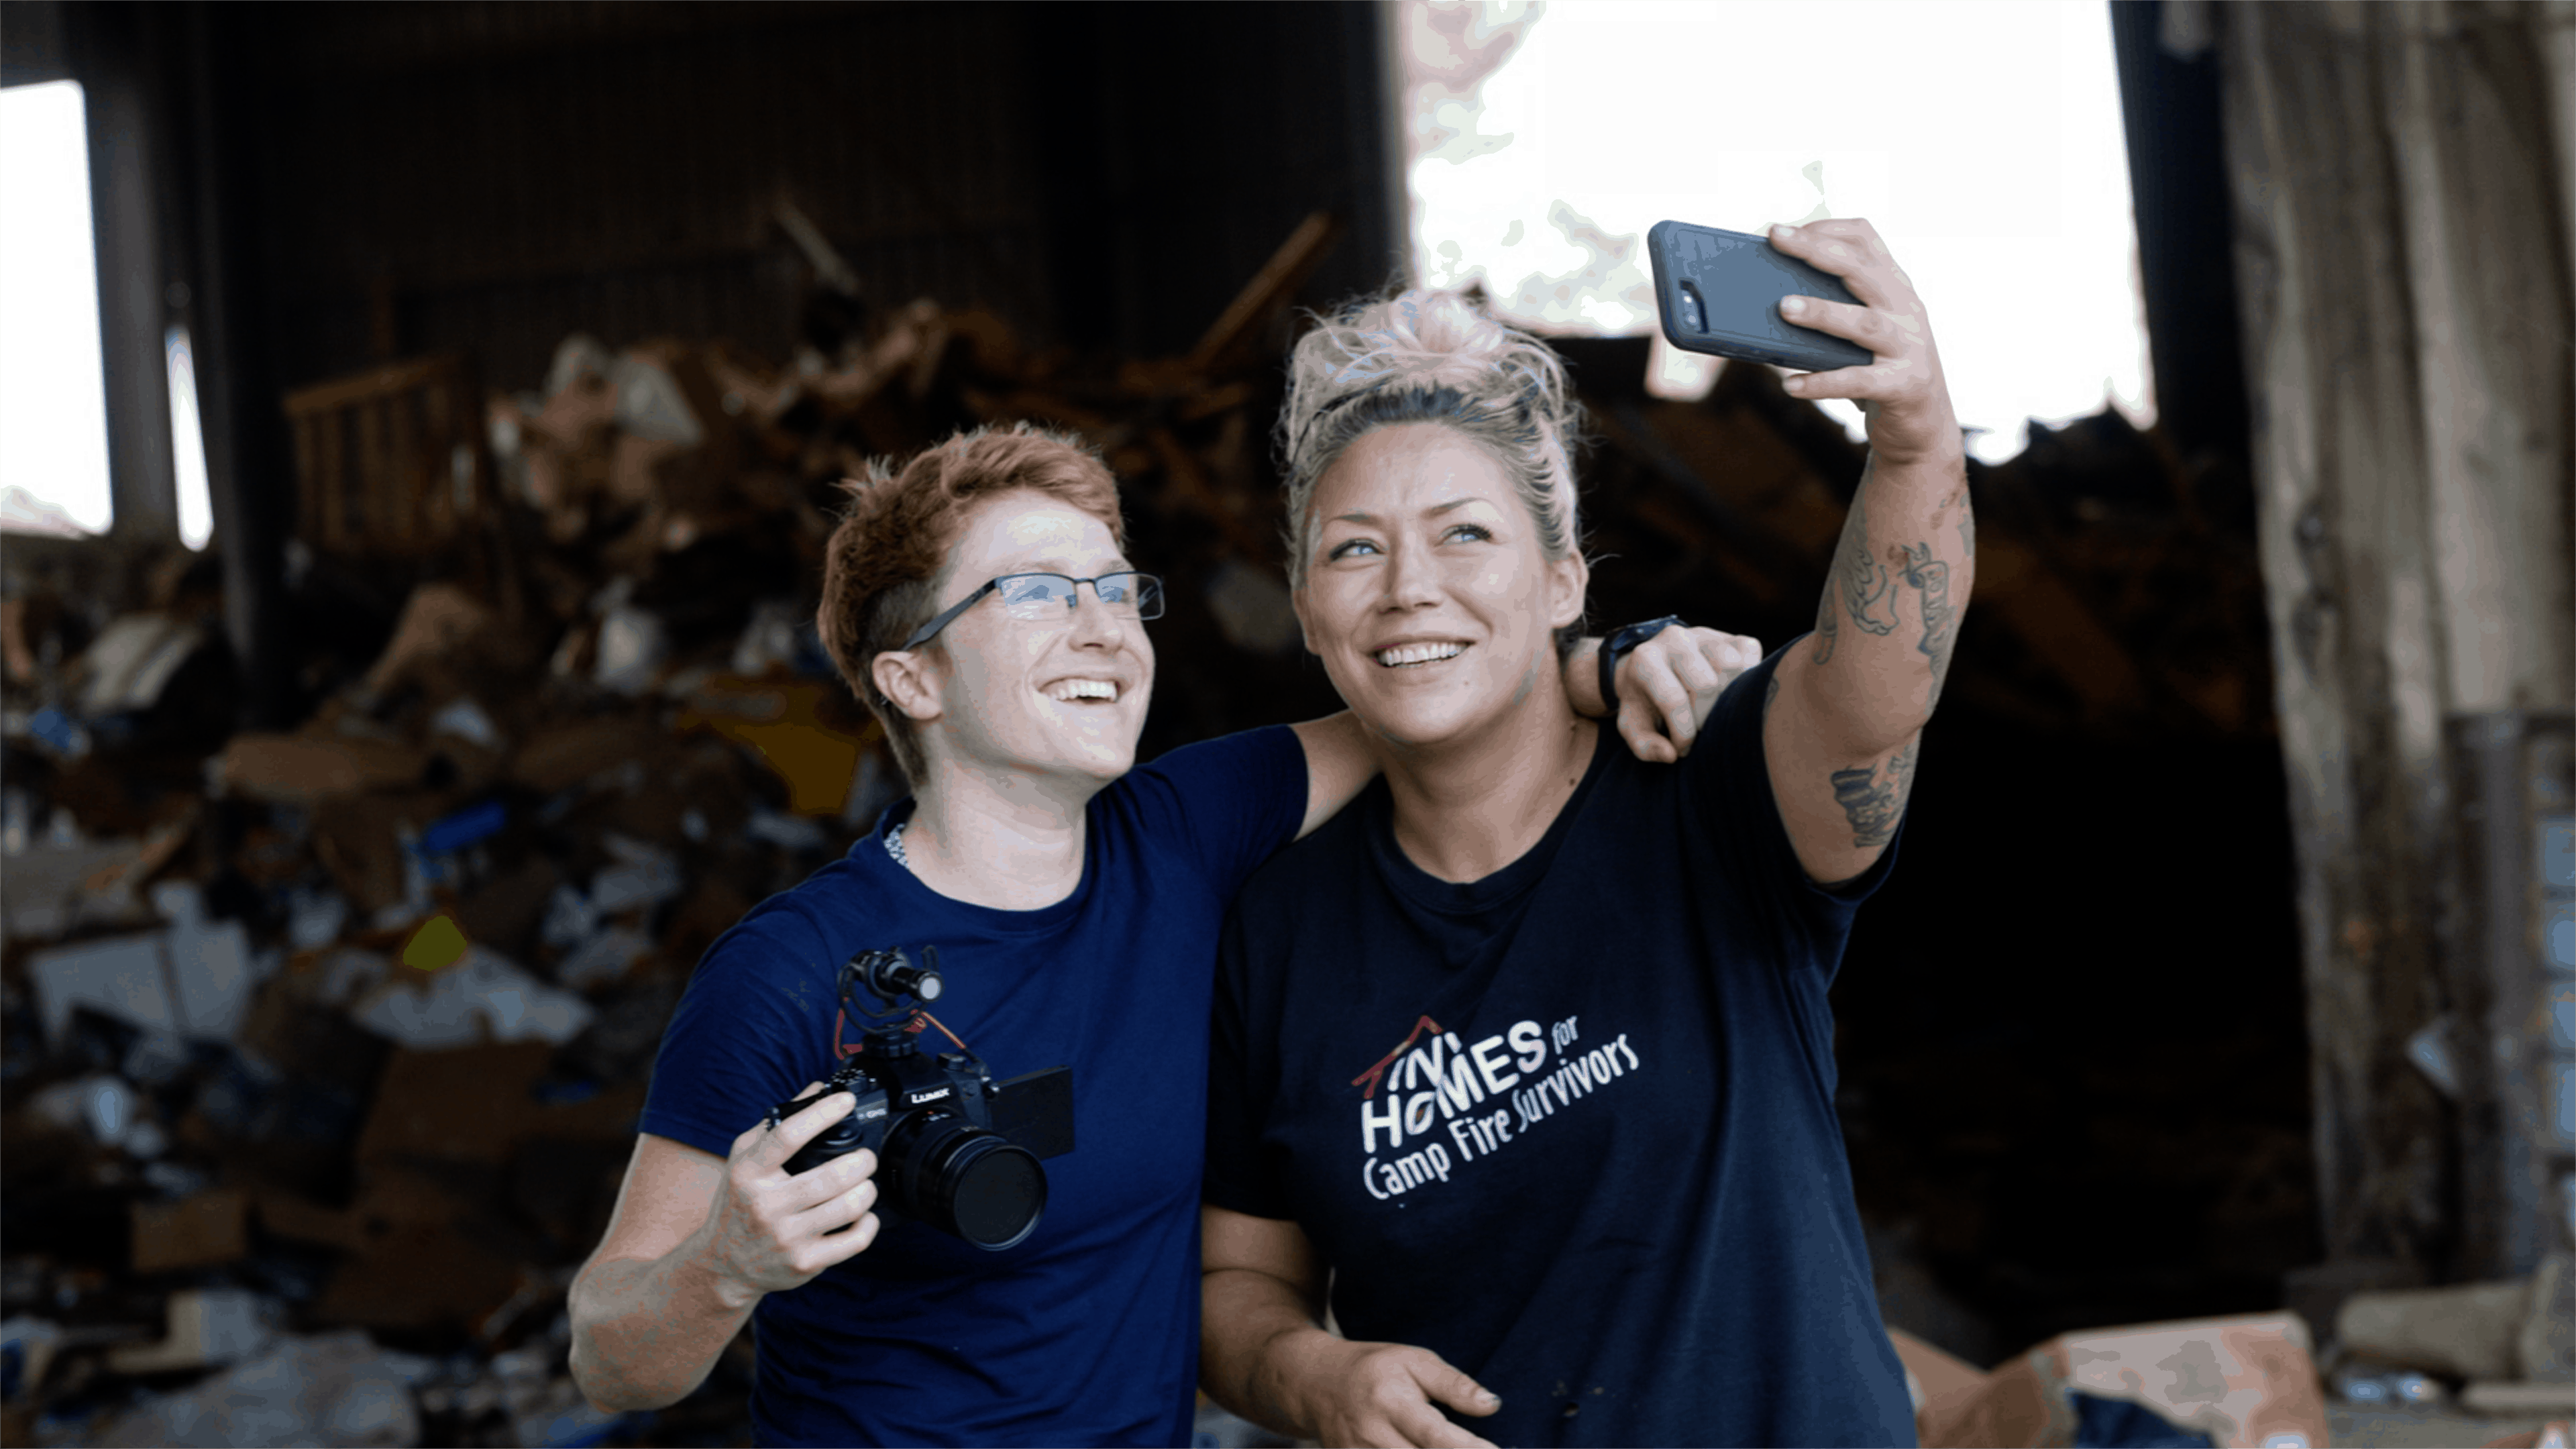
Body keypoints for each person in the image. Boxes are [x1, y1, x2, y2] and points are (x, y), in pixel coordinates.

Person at [561, 422, 1757, 1448]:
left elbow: (1427, 691)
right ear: (911, 679)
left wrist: (1617, 656)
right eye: (1034, 592)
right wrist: (725, 1265)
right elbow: (610, 1356)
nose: (1102, 630)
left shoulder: (1178, 834)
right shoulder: (791, 973)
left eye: (1115, 589)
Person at [1199, 217, 1970, 1448]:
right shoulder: (1273, 934)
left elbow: (1875, 694)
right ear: (1305, 610)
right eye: (1356, 550)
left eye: (1466, 533)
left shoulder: (1705, 787)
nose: (1409, 588)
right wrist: (1311, 1376)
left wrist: (1916, 439)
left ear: (1564, 580)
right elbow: (1239, 1286)